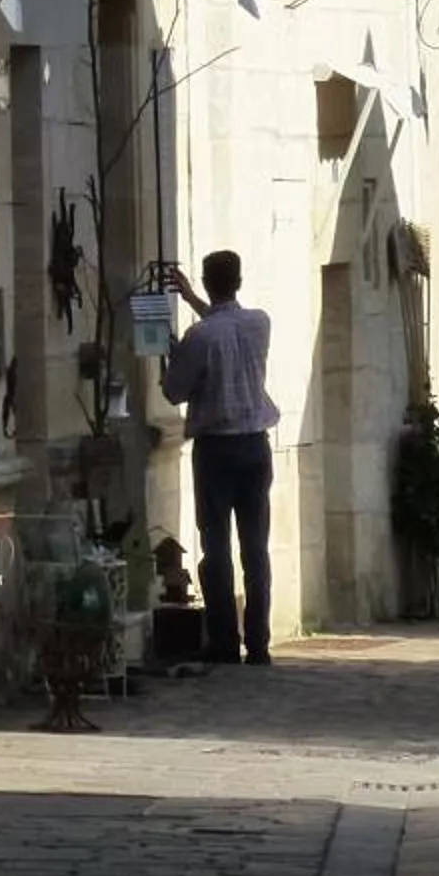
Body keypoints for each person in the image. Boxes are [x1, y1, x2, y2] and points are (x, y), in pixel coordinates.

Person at [161, 250, 279, 667]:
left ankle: (226, 641)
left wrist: (168, 352)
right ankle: (260, 643)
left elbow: (174, 392)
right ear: (240, 280)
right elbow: (225, 325)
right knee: (256, 548)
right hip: (255, 445)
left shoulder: (199, 338)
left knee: (216, 546)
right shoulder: (258, 323)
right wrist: (193, 298)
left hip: (215, 448)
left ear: (208, 282)